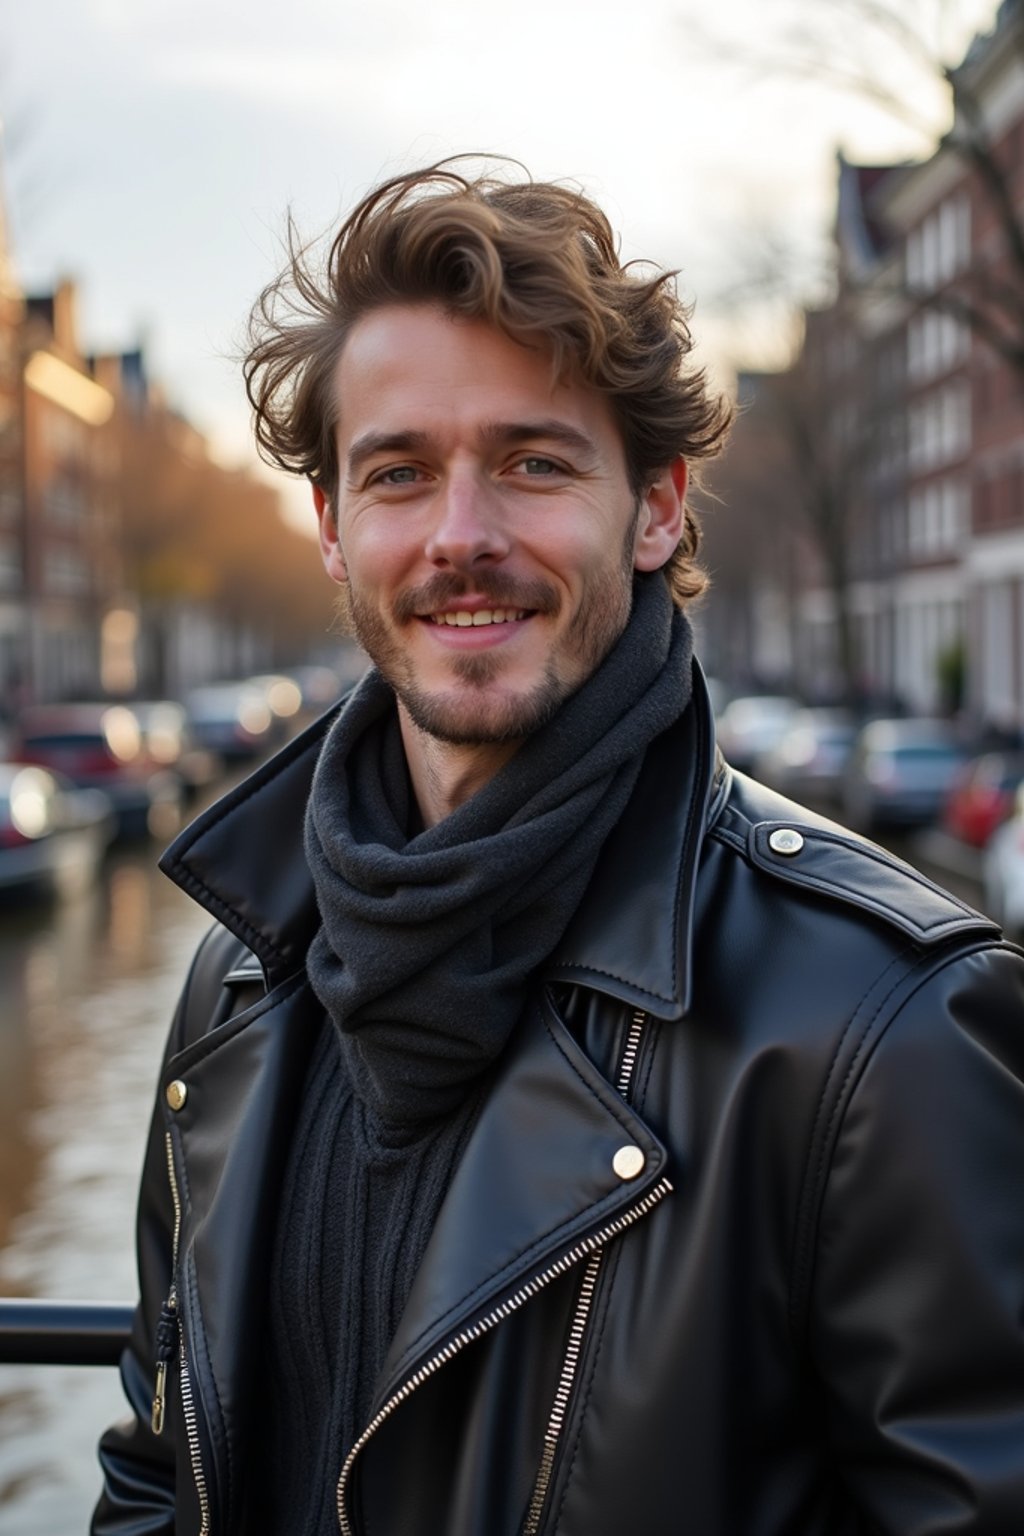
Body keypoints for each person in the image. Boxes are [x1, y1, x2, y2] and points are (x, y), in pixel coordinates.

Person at [93, 161, 1024, 1536]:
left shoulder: (883, 1025)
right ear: (336, 530)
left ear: (656, 508)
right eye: (400, 473)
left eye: (534, 462)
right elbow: (166, 1469)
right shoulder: (238, 981)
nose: (462, 538)